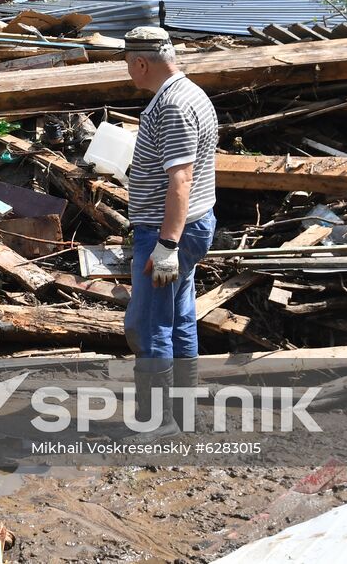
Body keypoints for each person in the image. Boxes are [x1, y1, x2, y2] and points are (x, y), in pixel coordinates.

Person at [120, 26, 218, 439]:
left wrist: (166, 246)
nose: (128, 73)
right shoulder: (191, 93)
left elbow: (181, 180)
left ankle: (157, 422)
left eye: (129, 65)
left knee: (148, 325)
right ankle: (184, 413)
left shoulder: (173, 106)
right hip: (191, 225)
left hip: (169, 232)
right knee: (179, 318)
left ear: (142, 63)